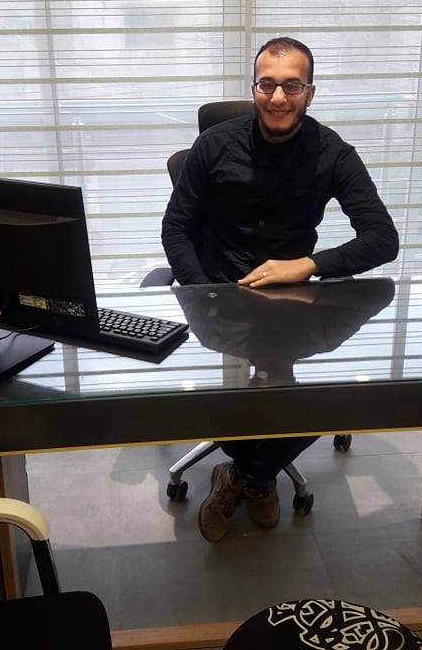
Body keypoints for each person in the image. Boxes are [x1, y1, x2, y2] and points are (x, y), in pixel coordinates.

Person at [161, 37, 399, 543]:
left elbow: (383, 238)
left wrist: (307, 265)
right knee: (213, 392)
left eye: (291, 86)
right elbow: (176, 228)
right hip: (218, 293)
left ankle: (244, 473)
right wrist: (203, 292)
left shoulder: (332, 152)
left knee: (334, 394)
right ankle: (260, 476)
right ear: (254, 88)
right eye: (267, 84)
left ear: (309, 92)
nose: (277, 97)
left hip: (292, 298)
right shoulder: (214, 146)